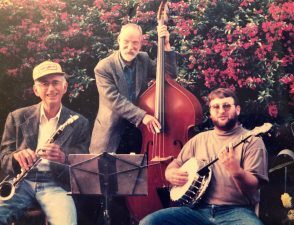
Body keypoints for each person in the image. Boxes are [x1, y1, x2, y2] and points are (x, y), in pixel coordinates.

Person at [140, 88, 269, 225]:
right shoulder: (199, 139)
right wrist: (170, 173)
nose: (221, 111)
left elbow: (252, 188)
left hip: (236, 211)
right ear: (211, 113)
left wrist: (236, 171)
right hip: (197, 211)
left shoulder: (252, 142)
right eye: (216, 107)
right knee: (149, 222)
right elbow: (176, 163)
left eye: (226, 106)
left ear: (237, 110)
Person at [0, 61, 90, 225]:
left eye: (55, 82)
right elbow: (3, 159)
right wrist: (16, 157)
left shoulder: (80, 122)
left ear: (64, 87)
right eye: (44, 84)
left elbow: (83, 163)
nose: (50, 89)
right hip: (20, 184)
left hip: (56, 185)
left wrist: (64, 157)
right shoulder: (17, 117)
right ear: (36, 90)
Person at [89, 23, 177, 154]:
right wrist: (143, 116)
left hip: (138, 133)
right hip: (111, 135)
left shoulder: (144, 59)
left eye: (135, 43)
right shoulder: (103, 67)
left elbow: (169, 75)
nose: (130, 47)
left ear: (141, 43)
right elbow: (114, 101)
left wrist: (166, 45)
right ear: (118, 40)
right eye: (126, 42)